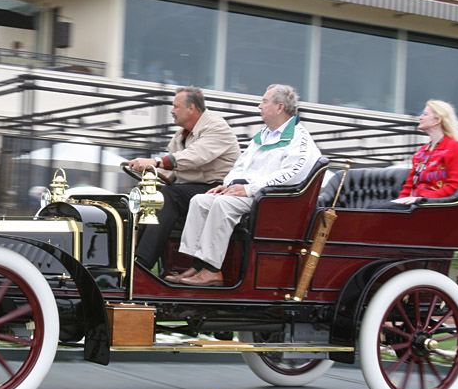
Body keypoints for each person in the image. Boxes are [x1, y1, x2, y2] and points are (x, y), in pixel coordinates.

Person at [174, 84, 321, 286]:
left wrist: (249, 189)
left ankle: (212, 271)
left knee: (222, 205)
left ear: (280, 107)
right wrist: (229, 185)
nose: (259, 106)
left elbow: (291, 175)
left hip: (273, 202)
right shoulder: (263, 136)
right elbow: (240, 165)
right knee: (200, 200)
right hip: (250, 196)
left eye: (264, 101)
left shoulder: (300, 139)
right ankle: (197, 265)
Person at [127, 86, 241, 273]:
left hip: (217, 190)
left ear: (192, 109)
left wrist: (155, 162)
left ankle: (142, 264)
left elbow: (195, 156)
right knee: (145, 197)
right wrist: (147, 178)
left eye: (175, 106)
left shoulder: (216, 127)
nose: (172, 111)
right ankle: (130, 257)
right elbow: (171, 172)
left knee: (168, 197)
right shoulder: (181, 135)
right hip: (191, 189)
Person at [392, 100, 458, 205]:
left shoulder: (455, 147)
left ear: (437, 120)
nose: (420, 117)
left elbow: (454, 186)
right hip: (415, 206)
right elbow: (409, 186)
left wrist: (421, 199)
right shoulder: (421, 152)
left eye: (425, 114)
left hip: (432, 207)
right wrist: (397, 204)